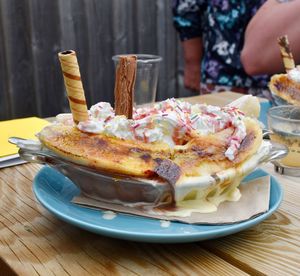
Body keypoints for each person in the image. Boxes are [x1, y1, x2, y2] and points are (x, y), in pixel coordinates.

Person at [172, 0, 300, 97]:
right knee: (219, 127)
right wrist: (192, 61)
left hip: (283, 80)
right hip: (223, 73)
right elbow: (186, 7)